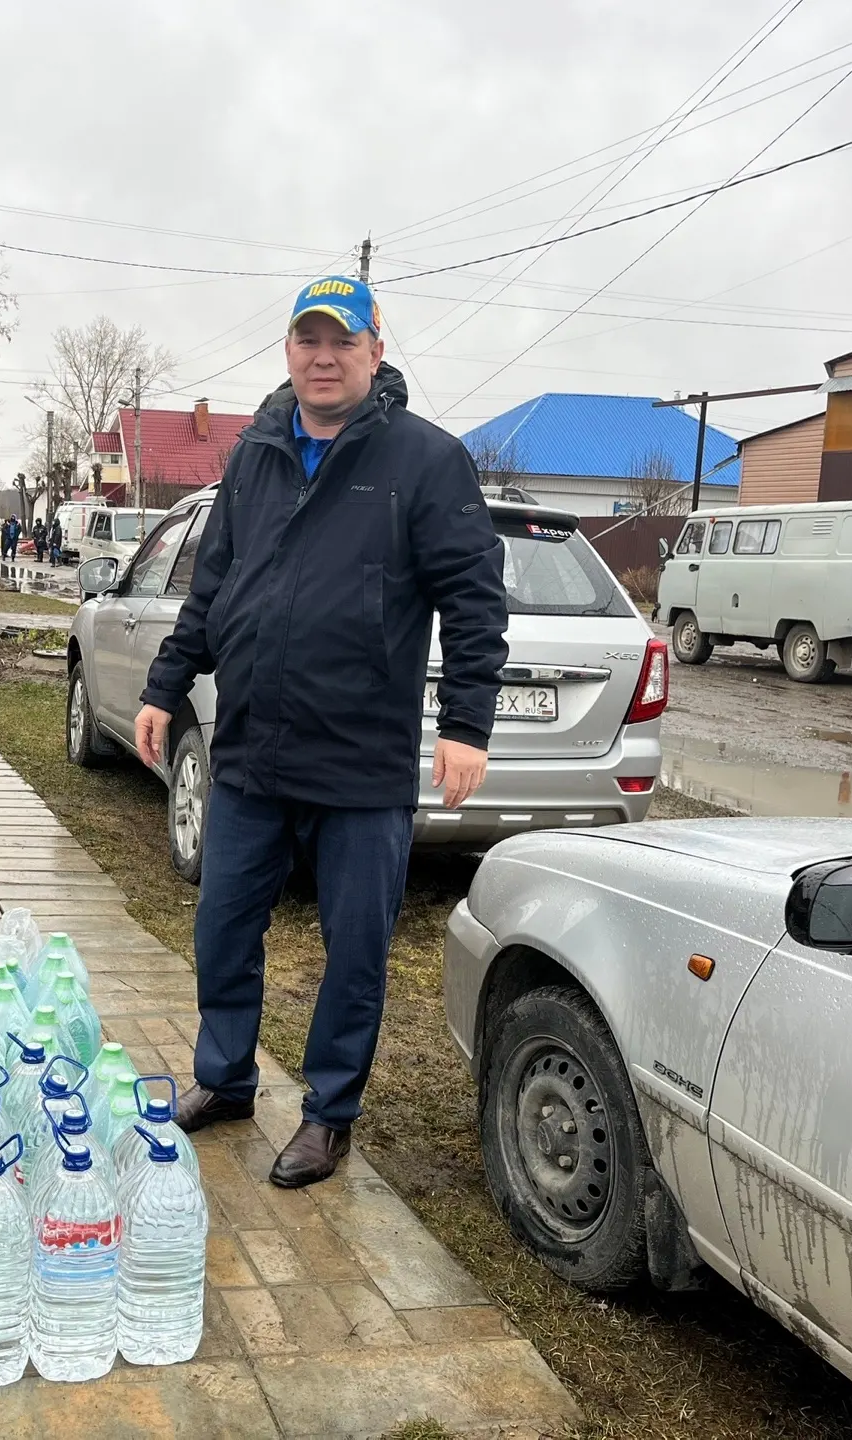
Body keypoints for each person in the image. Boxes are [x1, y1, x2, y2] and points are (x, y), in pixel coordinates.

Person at [134, 276, 509, 1188]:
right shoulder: (255, 454)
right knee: (224, 926)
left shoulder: (426, 460)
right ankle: (225, 1078)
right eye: (309, 340)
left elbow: (473, 600)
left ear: (376, 350)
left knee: (354, 953)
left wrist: (466, 724)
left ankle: (329, 1114)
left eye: (343, 341)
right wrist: (164, 685)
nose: (324, 357)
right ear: (289, 351)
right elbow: (213, 588)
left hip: (359, 762)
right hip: (252, 749)